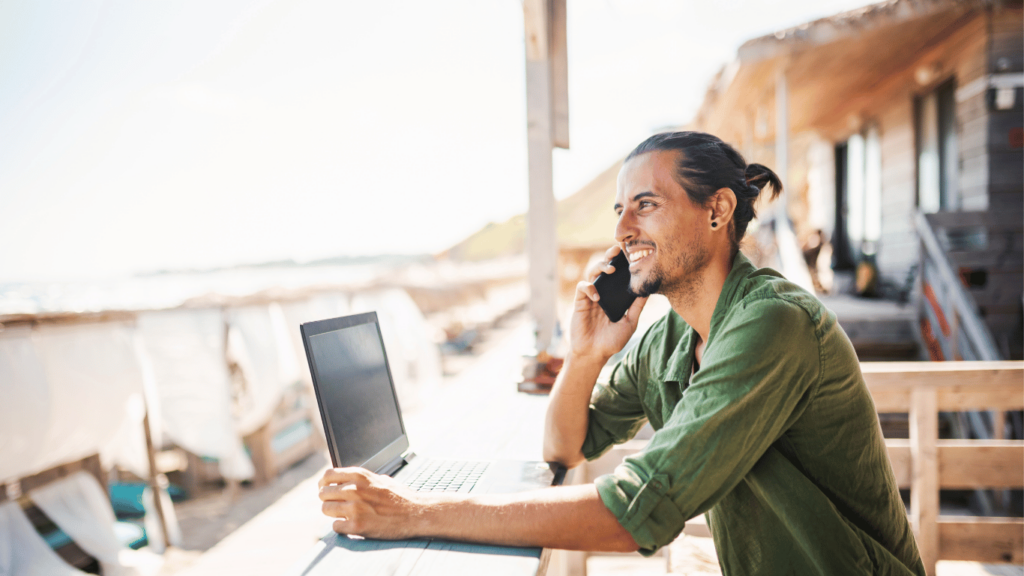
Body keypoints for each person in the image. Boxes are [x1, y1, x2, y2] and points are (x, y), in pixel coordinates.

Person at [318, 131, 925, 575]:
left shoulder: (772, 324)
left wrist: (414, 511)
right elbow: (566, 447)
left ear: (717, 209)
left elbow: (633, 513)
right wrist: (585, 357)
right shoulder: (667, 336)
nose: (622, 230)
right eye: (619, 210)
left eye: (646, 204)